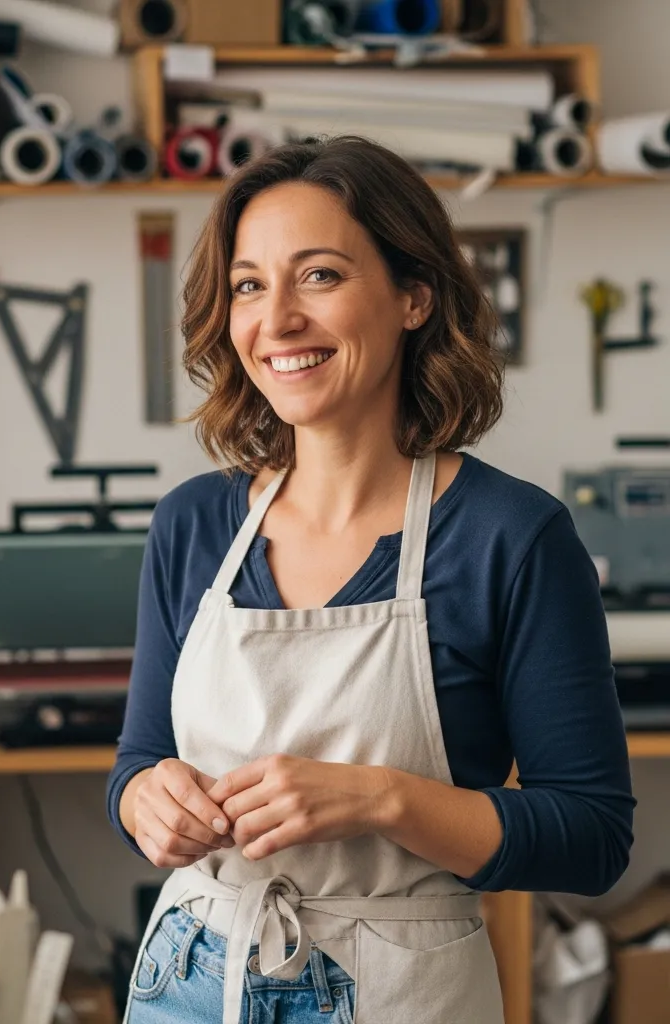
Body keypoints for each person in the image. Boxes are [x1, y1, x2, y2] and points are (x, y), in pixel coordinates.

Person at [105, 137, 635, 1024]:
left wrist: (381, 798)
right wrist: (142, 800)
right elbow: (137, 762)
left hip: (398, 990)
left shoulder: (513, 538)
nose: (275, 321)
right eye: (248, 285)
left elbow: (591, 837)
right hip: (189, 981)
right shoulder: (194, 525)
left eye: (318, 276)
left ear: (414, 297)